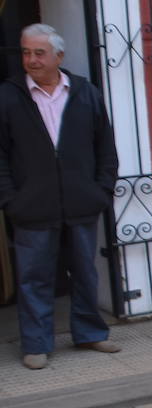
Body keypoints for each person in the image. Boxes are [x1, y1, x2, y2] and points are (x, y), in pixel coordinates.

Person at [0, 24, 121, 370]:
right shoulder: (8, 96)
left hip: (82, 202)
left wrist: (102, 190)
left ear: (59, 56)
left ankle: (89, 333)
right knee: (34, 277)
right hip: (31, 206)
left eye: (39, 53)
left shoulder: (85, 92)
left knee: (84, 271)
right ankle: (37, 344)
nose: (31, 60)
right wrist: (10, 199)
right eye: (26, 52)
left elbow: (106, 148)